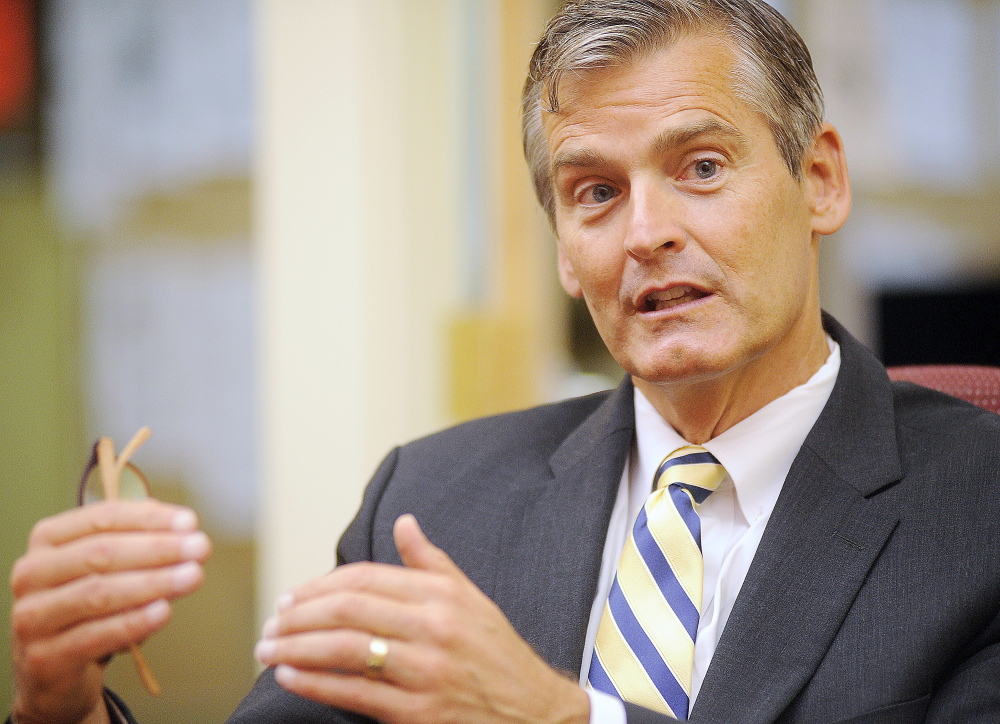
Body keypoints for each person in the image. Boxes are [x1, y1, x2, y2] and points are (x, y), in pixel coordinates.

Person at [10, 0, 1000, 722]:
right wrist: (64, 710)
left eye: (701, 167)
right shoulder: (433, 499)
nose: (645, 231)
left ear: (819, 179)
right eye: (595, 192)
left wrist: (560, 721)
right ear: (565, 251)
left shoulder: (979, 513)